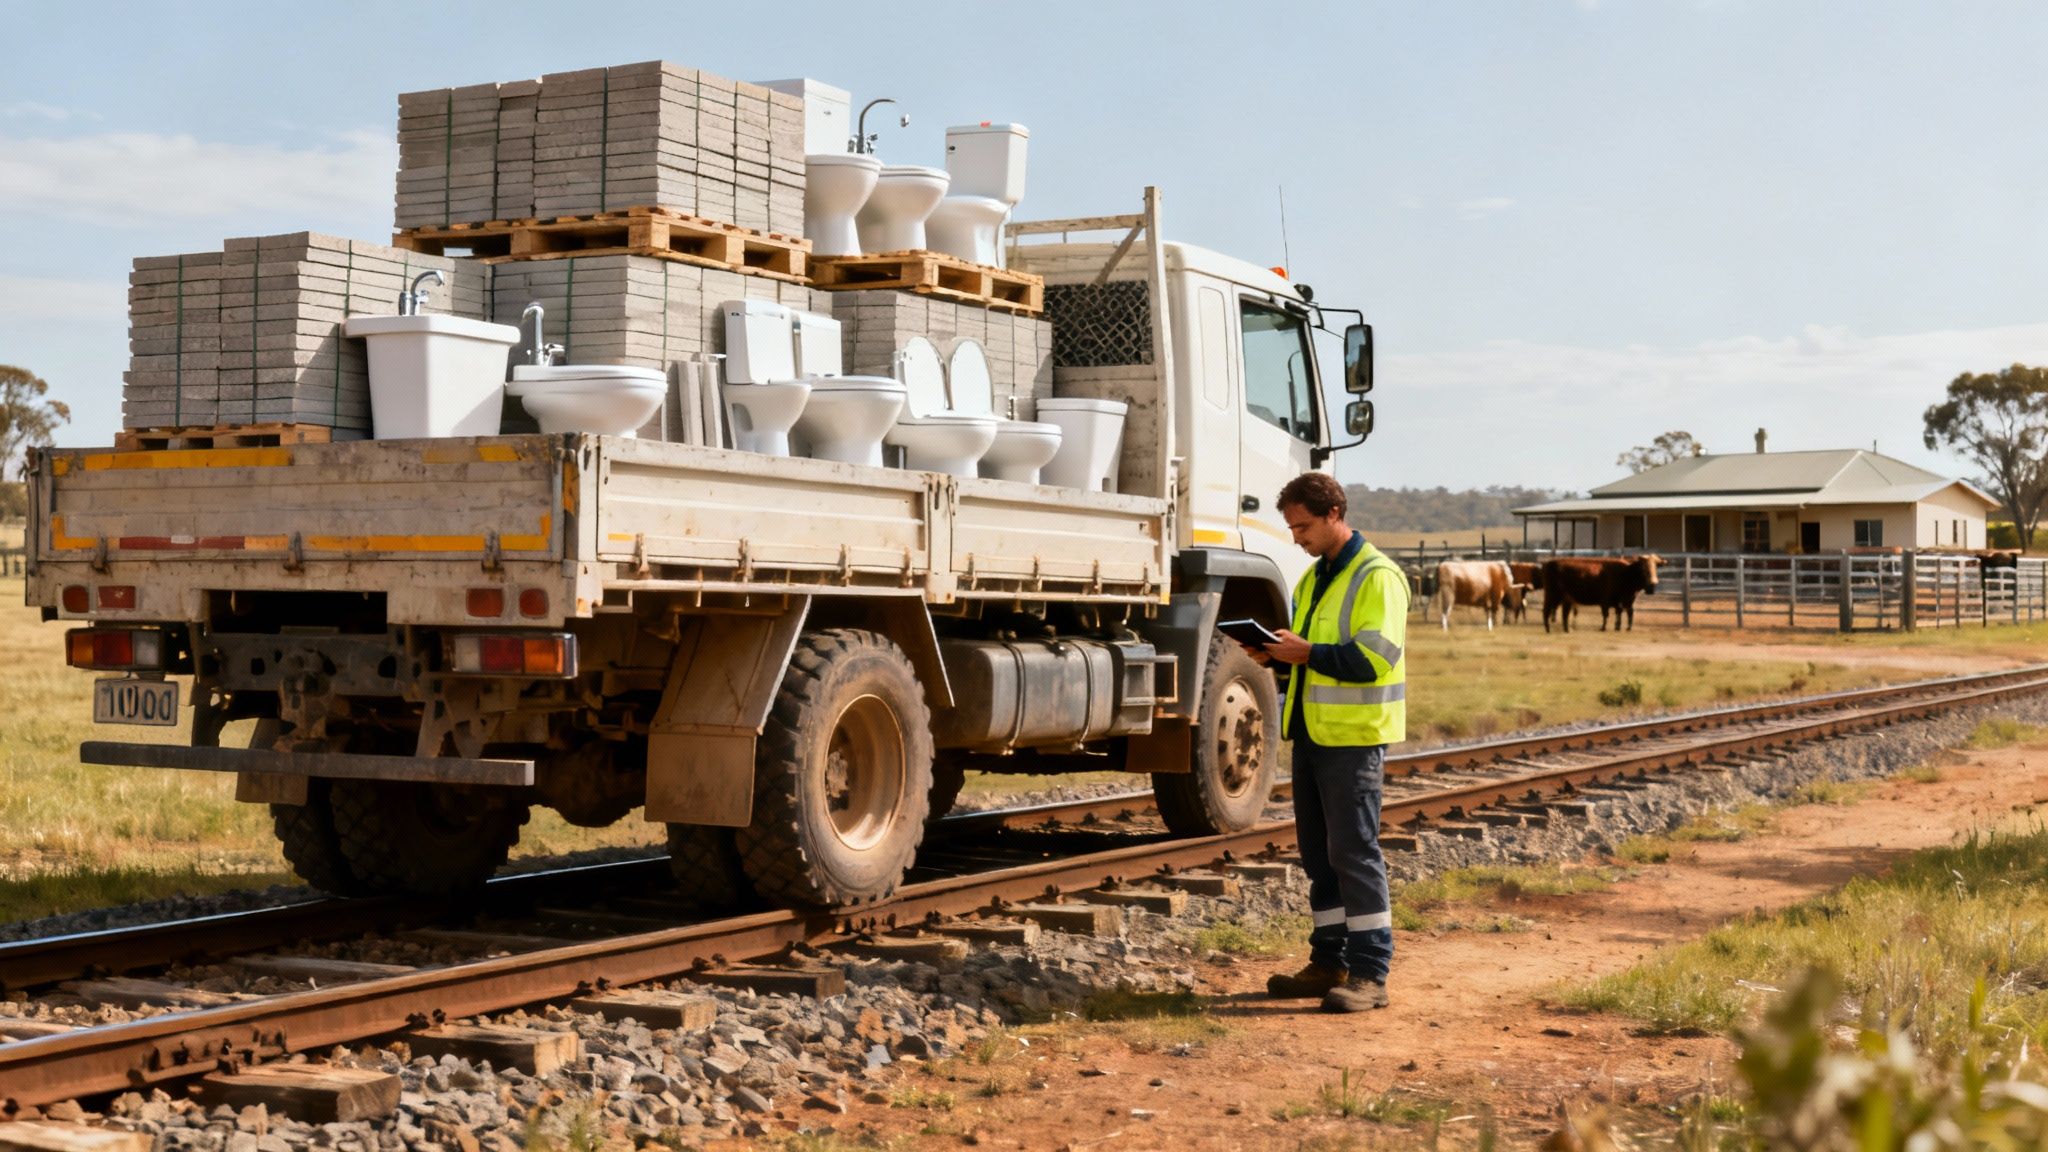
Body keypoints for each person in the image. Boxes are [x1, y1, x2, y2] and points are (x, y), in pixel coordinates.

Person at [1242, 472, 1407, 1013]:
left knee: (1354, 855)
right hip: (1313, 736)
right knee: (1320, 858)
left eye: (1304, 526)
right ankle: (1328, 962)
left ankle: (1370, 974)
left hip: (1354, 740)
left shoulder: (1376, 576)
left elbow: (1372, 660)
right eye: (1291, 527)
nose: (1296, 538)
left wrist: (1306, 654)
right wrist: (1278, 658)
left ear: (1335, 512)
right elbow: (1312, 663)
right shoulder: (1313, 579)